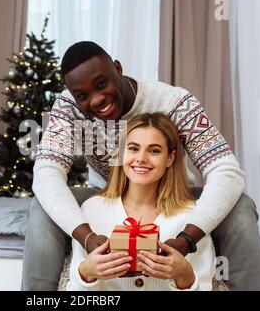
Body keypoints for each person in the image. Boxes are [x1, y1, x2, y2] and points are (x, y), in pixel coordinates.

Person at [23, 41, 260, 291]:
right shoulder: (69, 107)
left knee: (241, 206)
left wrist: (187, 239)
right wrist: (86, 236)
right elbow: (47, 174)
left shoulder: (175, 102)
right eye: (83, 96)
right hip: (108, 196)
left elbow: (226, 171)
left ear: (117, 69)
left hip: (172, 196)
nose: (97, 100)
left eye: (101, 84)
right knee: (42, 206)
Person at [66, 113, 216, 291]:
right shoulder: (92, 209)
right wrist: (86, 273)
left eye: (154, 151)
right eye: (133, 148)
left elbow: (204, 285)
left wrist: (184, 274)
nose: (141, 158)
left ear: (170, 158)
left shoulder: (193, 216)